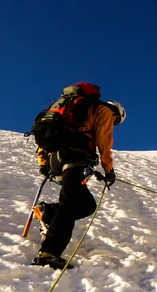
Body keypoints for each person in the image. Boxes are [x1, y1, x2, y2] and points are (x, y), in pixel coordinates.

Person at [31, 85, 126, 269]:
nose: (113, 123)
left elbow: (46, 135)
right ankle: (49, 252)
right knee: (69, 203)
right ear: (117, 113)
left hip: (56, 160)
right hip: (74, 157)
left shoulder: (66, 109)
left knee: (86, 205)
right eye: (115, 121)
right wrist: (109, 170)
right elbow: (104, 142)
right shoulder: (103, 110)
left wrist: (43, 163)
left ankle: (48, 212)